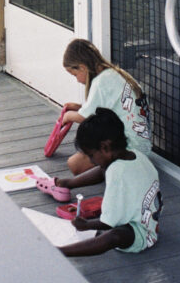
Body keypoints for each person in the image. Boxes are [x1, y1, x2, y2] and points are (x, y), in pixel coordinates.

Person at [57, 108, 161, 257]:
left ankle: (60, 252)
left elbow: (107, 223)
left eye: (91, 155)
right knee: (104, 169)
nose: (91, 161)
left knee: (115, 236)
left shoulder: (116, 172)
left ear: (105, 147)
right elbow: (102, 171)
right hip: (152, 224)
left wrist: (86, 225)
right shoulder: (136, 156)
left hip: (140, 234)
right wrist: (69, 183)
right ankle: (69, 183)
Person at [59, 38, 151, 173]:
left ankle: (114, 167)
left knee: (74, 164)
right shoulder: (112, 74)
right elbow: (107, 107)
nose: (77, 80)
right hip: (143, 146)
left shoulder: (100, 82)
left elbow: (85, 118)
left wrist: (68, 116)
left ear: (82, 67)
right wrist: (79, 107)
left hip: (130, 148)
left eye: (75, 75)